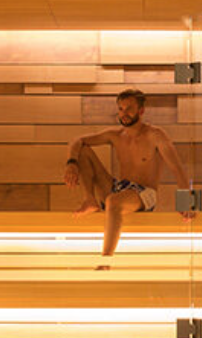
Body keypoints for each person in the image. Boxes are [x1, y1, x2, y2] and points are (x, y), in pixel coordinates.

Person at [63, 88, 195, 266]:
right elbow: (77, 140)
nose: (124, 113)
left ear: (141, 110)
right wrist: (71, 163)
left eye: (129, 109)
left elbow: (177, 168)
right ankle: (90, 200)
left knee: (113, 201)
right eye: (121, 109)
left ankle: (105, 262)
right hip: (120, 188)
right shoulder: (115, 135)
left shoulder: (155, 135)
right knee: (83, 150)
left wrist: (188, 203)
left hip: (144, 193)